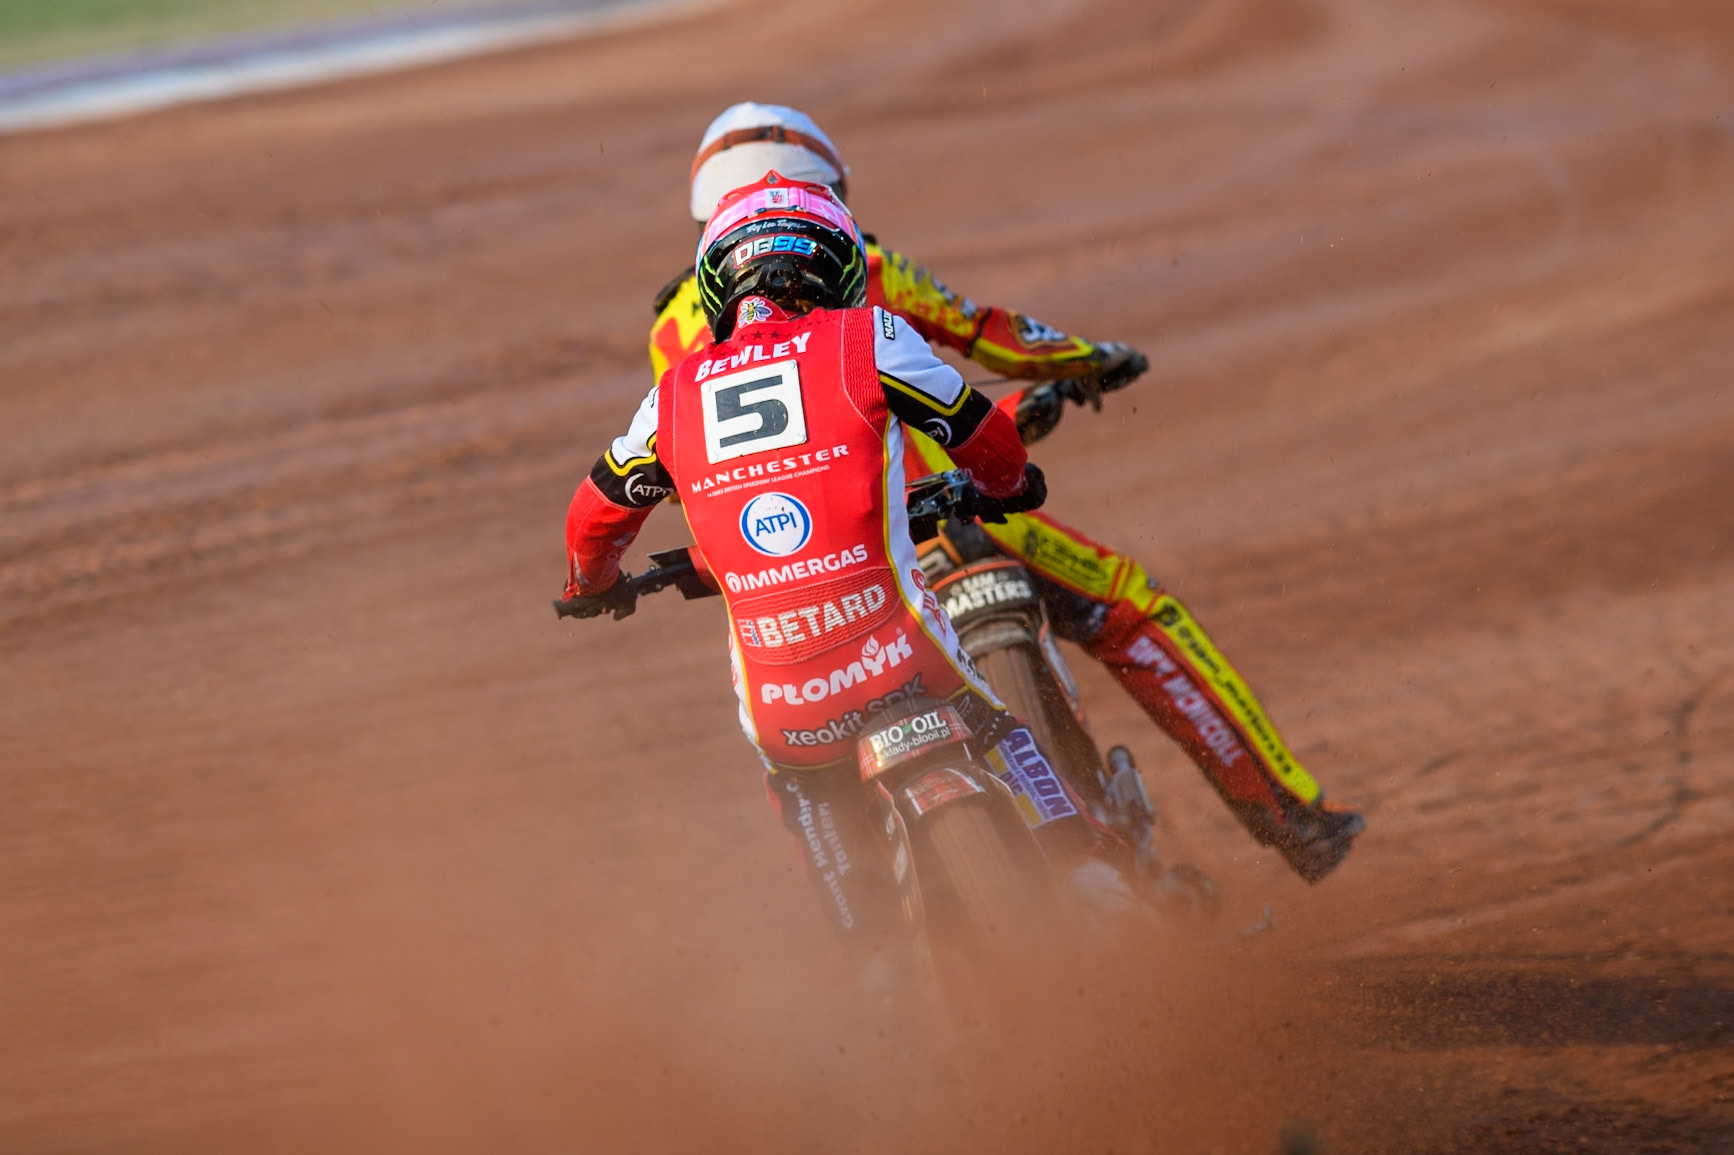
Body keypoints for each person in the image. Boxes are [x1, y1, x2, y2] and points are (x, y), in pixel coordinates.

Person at [648, 103, 1363, 883]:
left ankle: (864, 935)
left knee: (793, 757)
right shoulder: (863, 264)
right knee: (1128, 604)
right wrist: (1087, 358)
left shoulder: (671, 336)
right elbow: (984, 334)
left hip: (785, 568)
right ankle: (1293, 816)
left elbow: (691, 471)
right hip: (929, 517)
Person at [561, 173, 1132, 950]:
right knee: (998, 728)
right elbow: (985, 442)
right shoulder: (871, 338)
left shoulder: (670, 397)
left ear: (717, 283)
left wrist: (593, 586)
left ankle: (872, 959)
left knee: (800, 789)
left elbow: (594, 519)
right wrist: (1007, 484)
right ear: (840, 267)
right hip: (907, 660)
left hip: (790, 706)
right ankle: (1089, 872)